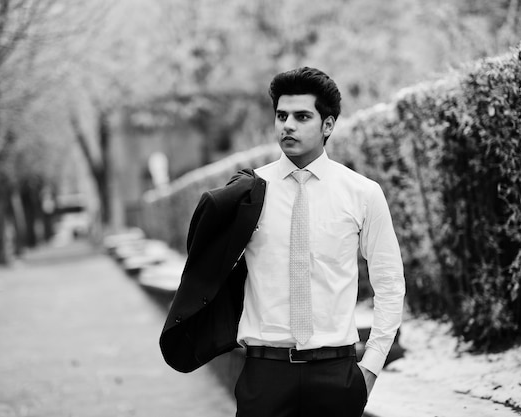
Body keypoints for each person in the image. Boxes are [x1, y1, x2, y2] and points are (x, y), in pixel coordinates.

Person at [160, 67, 405, 417]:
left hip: (336, 373)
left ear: (328, 125)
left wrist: (371, 367)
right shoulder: (248, 194)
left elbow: (391, 283)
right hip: (265, 375)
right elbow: (207, 268)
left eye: (302, 116)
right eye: (281, 115)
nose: (287, 125)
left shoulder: (362, 194)